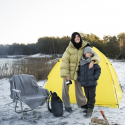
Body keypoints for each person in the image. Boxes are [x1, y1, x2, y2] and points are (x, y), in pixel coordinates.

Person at [60, 32, 100, 113]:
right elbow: (64, 61)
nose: (77, 38)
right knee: (66, 88)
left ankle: (81, 103)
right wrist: (67, 75)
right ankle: (67, 105)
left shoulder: (86, 46)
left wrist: (92, 61)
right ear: (73, 39)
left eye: (78, 36)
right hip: (69, 72)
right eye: (75, 37)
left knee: (79, 89)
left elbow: (96, 55)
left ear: (80, 38)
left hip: (79, 72)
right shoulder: (69, 48)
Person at [78, 46, 101, 118]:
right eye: (88, 52)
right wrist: (79, 78)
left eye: (90, 53)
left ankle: (90, 109)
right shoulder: (81, 62)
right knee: (87, 95)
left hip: (92, 82)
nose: (89, 54)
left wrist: (95, 77)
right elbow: (79, 71)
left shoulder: (93, 61)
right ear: (85, 53)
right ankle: (88, 107)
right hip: (85, 83)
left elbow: (98, 70)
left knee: (91, 96)